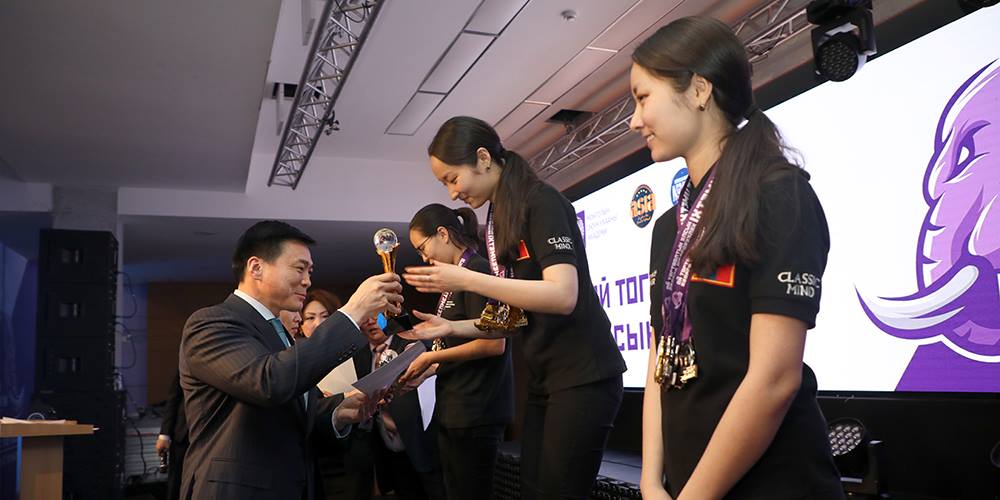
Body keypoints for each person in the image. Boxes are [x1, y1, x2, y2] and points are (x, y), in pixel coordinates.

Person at [629, 16, 844, 500]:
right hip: (686, 481)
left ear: (699, 89)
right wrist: (650, 480)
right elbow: (660, 354)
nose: (634, 120)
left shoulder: (778, 195)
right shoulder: (667, 228)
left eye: (643, 98)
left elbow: (775, 379)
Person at [400, 116, 626, 499]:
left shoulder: (540, 201)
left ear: (483, 158)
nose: (452, 194)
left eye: (453, 179)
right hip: (545, 378)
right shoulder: (498, 219)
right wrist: (452, 328)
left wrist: (467, 280)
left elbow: (563, 295)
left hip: (583, 375)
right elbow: (513, 316)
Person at [178, 220, 403, 500]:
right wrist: (353, 311)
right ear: (256, 267)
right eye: (299, 268)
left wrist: (339, 413)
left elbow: (291, 419)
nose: (307, 280)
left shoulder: (281, 333)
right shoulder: (212, 323)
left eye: (310, 271)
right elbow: (270, 383)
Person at [399, 203, 514, 499]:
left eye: (423, 248)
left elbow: (493, 343)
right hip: (456, 406)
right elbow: (456, 345)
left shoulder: (476, 271)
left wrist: (432, 356)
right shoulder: (455, 280)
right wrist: (427, 369)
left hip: (477, 408)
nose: (424, 258)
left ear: (442, 234)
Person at [345, 317, 445, 500]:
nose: (371, 321)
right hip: (385, 447)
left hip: (420, 443)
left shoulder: (412, 343)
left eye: (376, 315)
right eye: (366, 317)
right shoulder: (357, 354)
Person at [156, 371, 188, 500]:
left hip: (212, 435)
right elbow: (174, 397)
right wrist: (164, 434)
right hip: (183, 434)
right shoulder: (186, 360)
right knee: (176, 483)